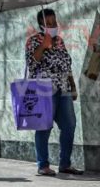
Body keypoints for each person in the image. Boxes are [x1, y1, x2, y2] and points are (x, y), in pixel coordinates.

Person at [25, 9, 82, 177]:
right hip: (44, 89)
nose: (53, 26)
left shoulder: (59, 41)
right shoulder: (33, 41)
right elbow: (32, 63)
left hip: (62, 88)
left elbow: (66, 64)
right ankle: (43, 165)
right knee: (44, 127)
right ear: (41, 25)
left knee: (69, 126)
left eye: (54, 23)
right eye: (49, 24)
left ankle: (65, 163)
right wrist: (43, 46)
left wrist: (72, 85)